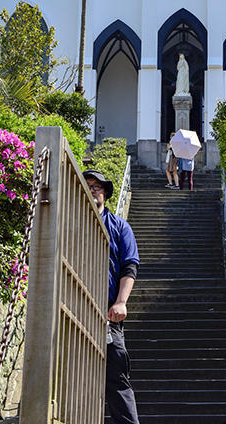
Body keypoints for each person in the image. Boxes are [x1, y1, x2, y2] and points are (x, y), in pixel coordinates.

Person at [82, 169, 140, 424]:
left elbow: (130, 266)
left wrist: (121, 302)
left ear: (105, 192)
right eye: (87, 185)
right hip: (73, 305)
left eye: (97, 186)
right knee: (71, 374)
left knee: (116, 375)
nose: (92, 190)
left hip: (107, 312)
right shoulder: (69, 221)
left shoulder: (119, 226)